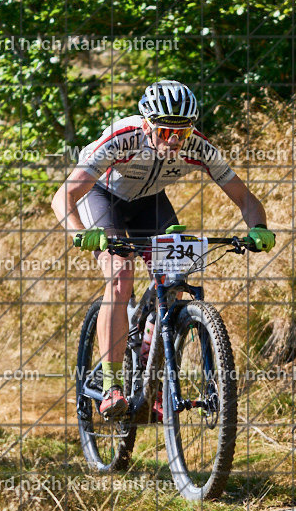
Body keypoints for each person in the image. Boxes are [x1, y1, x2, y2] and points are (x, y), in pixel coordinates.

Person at [51, 80, 276, 418]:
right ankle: (112, 387)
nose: (173, 141)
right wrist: (80, 233)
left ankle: (153, 377)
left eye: (181, 134)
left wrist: (258, 229)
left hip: (149, 203)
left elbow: (245, 199)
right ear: (146, 124)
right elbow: (64, 196)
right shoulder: (122, 138)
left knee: (176, 279)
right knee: (120, 274)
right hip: (102, 197)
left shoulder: (199, 147)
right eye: (165, 132)